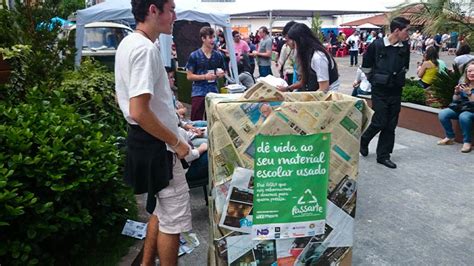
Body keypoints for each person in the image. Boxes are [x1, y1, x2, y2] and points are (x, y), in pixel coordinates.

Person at [114, 0, 192, 265]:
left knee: (161, 213)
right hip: (159, 147)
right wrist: (176, 142)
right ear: (153, 9)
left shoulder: (128, 43)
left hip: (145, 142)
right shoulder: (144, 49)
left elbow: (130, 104)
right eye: (170, 9)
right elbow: (139, 110)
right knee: (173, 223)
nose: (174, 16)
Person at [359, 17, 411, 169]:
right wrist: (376, 80)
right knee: (380, 121)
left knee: (391, 124)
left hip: (396, 90)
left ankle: (383, 155)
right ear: (397, 30)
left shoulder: (404, 47)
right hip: (380, 90)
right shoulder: (377, 45)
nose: (409, 34)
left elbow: (406, 66)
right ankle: (364, 139)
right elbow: (366, 66)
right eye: (406, 30)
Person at [186, 26, 226, 121]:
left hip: (213, 90)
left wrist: (221, 74)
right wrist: (205, 77)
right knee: (196, 120)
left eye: (214, 37)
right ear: (203, 39)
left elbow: (224, 71)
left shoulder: (218, 55)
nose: (213, 40)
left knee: (214, 120)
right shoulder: (194, 55)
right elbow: (189, 76)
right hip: (198, 91)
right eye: (210, 37)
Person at [287, 23, 340, 92]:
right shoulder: (306, 54)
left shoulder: (318, 57)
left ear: (300, 41)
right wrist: (287, 88)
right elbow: (303, 81)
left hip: (327, 96)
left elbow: (324, 88)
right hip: (316, 92)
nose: (288, 43)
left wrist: (307, 101)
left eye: (291, 40)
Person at [437, 61, 474, 153]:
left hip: (471, 110)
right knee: (443, 114)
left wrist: (469, 94)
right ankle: (450, 137)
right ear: (466, 73)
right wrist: (456, 93)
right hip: (463, 107)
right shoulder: (464, 84)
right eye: (469, 71)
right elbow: (455, 100)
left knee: (464, 116)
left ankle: (467, 142)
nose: (472, 73)